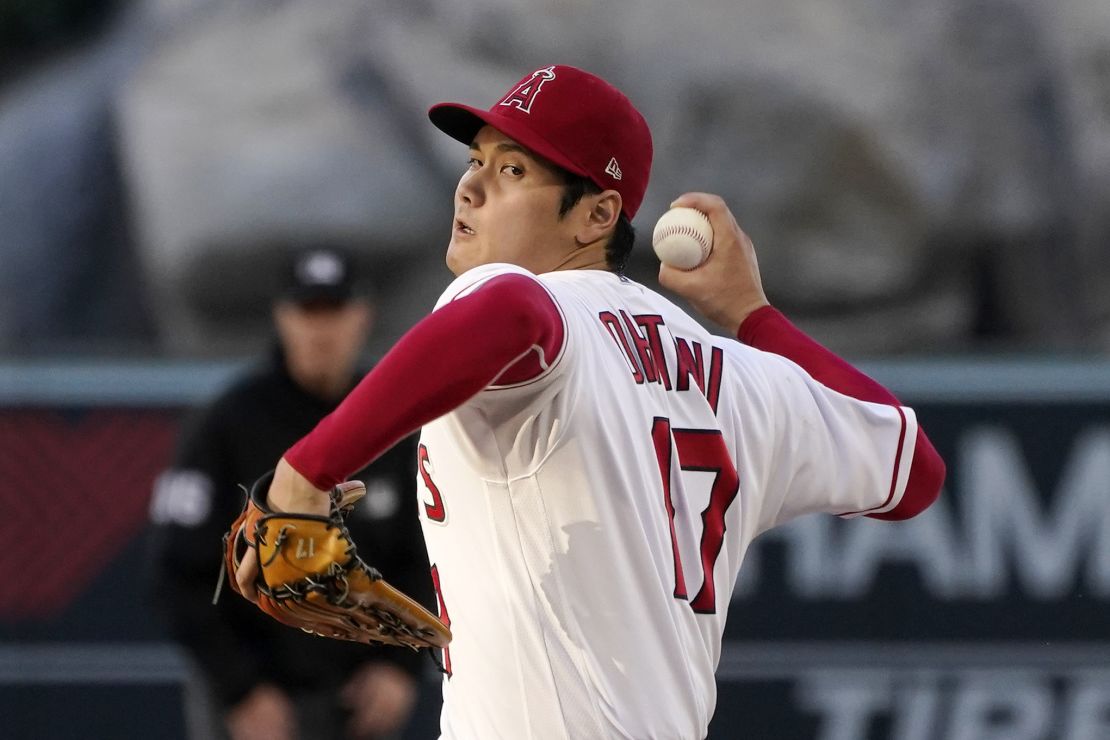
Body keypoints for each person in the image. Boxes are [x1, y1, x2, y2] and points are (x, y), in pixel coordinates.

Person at [233, 65, 947, 739]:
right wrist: (752, 315)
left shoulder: (529, 306)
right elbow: (912, 468)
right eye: (475, 160)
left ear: (596, 215)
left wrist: (305, 473)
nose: (471, 188)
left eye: (513, 171)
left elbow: (510, 313)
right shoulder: (742, 376)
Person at [148, 245, 433, 740]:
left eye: (335, 311)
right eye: (308, 312)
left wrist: (401, 667)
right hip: (256, 704)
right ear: (282, 317)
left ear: (361, 316)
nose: (321, 330)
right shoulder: (226, 425)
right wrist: (239, 689)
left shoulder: (394, 420)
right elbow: (179, 571)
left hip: (361, 702)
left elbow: (431, 552)